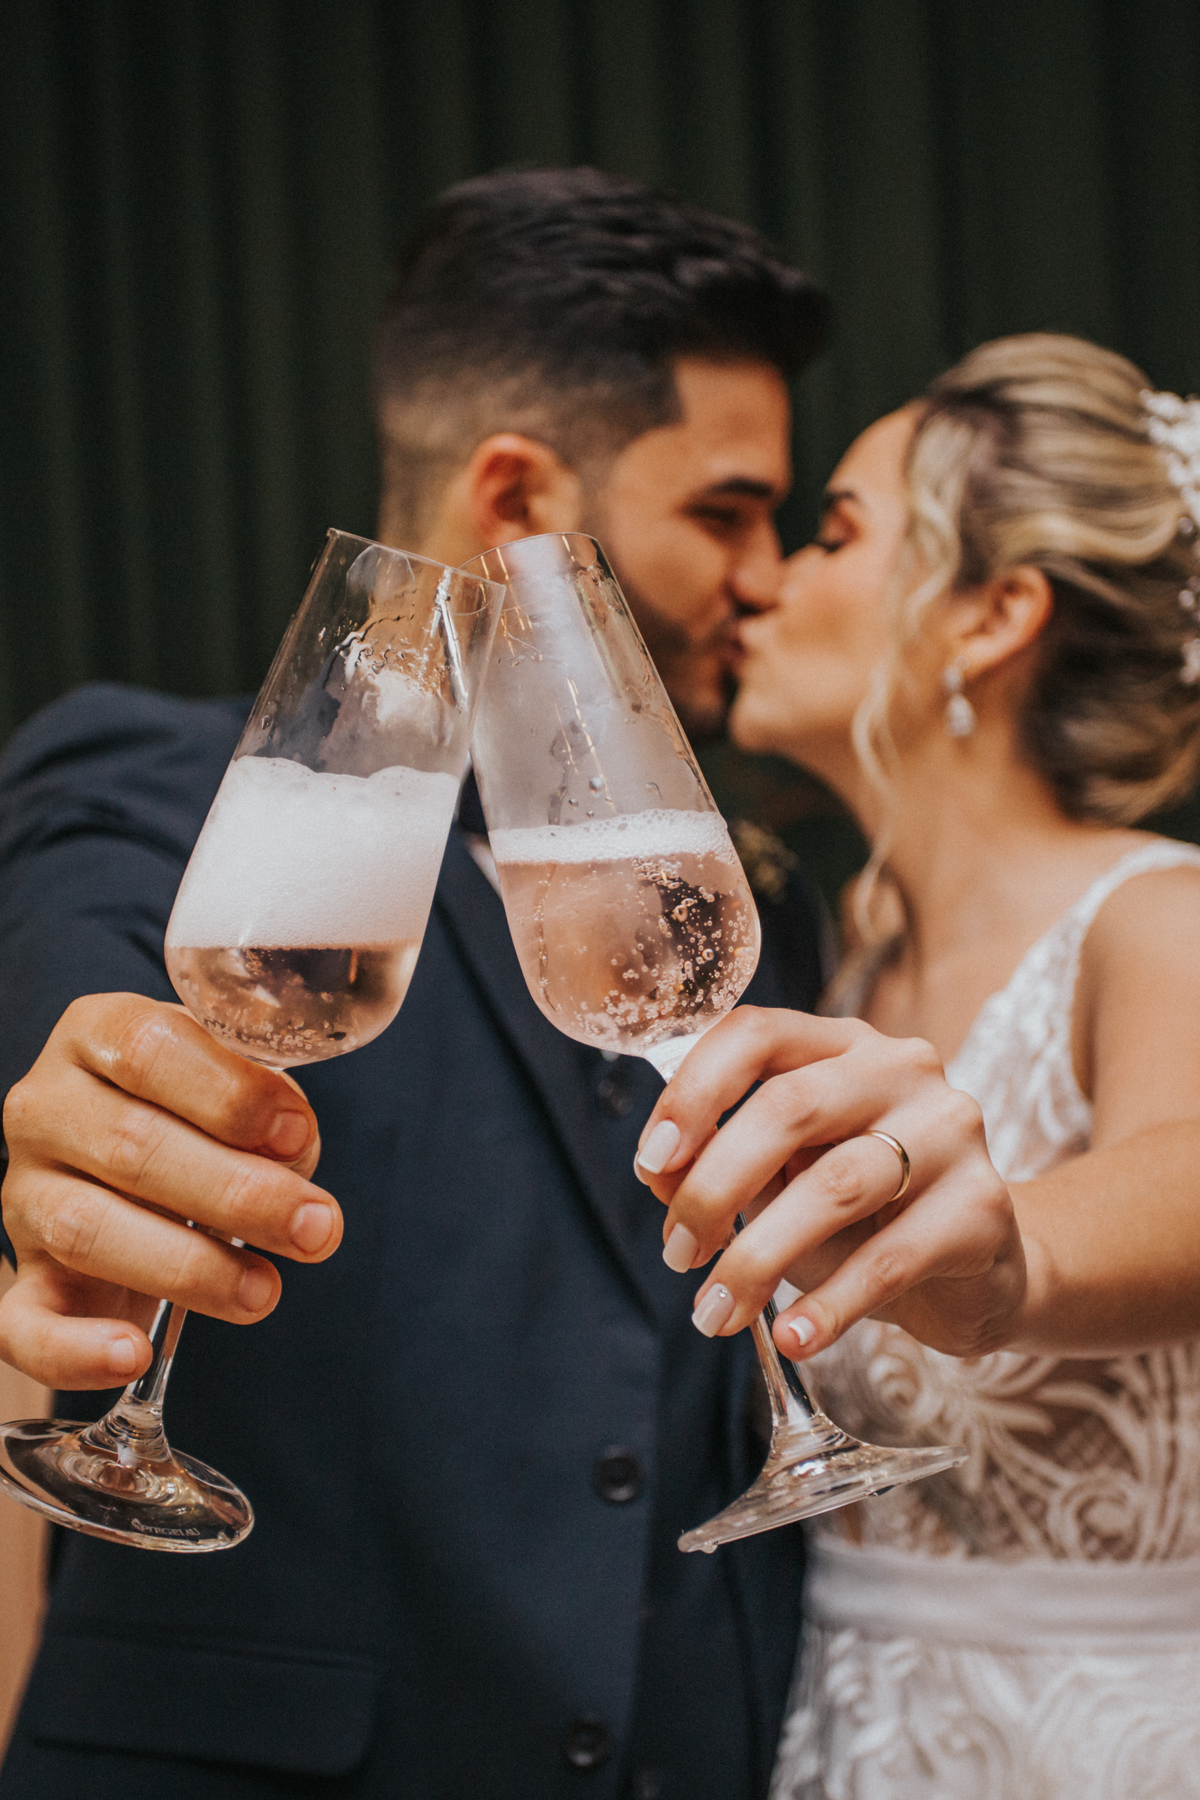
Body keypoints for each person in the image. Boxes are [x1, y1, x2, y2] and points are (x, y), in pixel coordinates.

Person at [0, 169, 1024, 1800]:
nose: (764, 577)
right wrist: (82, 1116)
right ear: (517, 496)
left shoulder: (745, 889)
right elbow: (78, 992)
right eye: (725, 512)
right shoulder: (165, 787)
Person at [633, 333, 1200, 1799]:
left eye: (833, 533)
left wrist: (1010, 1260)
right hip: (836, 1732)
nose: (763, 580)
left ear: (996, 614)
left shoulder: (1160, 920)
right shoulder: (841, 955)